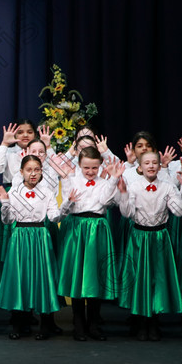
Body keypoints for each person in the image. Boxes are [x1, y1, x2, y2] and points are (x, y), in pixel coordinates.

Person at [116, 151, 182, 341]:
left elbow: (179, 211)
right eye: (147, 163)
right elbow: (127, 214)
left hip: (159, 237)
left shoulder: (167, 187)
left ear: (159, 166)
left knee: (158, 278)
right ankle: (140, 322)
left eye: (154, 163)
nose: (151, 166)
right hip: (140, 236)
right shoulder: (133, 186)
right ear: (139, 167)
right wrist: (123, 194)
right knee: (140, 278)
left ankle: (154, 322)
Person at [0, 155, 67, 340]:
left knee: (41, 279)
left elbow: (54, 217)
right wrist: (4, 202)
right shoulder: (13, 192)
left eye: (37, 169)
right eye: (29, 170)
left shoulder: (48, 192)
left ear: (41, 171)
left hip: (40, 237)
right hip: (19, 237)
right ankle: (20, 324)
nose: (33, 173)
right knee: (21, 278)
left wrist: (67, 204)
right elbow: (7, 220)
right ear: (21, 172)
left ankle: (45, 326)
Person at [56, 146, 124, 341]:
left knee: (96, 276)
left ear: (100, 165)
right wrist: (69, 200)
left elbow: (106, 202)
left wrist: (112, 180)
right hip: (78, 229)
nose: (90, 172)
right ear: (79, 165)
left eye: (94, 168)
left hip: (98, 230)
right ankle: (78, 324)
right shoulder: (71, 179)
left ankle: (94, 324)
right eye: (86, 168)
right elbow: (65, 208)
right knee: (79, 276)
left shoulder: (105, 182)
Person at [0, 119, 39, 187]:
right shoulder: (8, 152)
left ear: (35, 135)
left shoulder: (40, 153)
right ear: (15, 135)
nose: (25, 135)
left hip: (38, 190)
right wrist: (4, 144)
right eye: (20, 132)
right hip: (12, 190)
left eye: (29, 132)